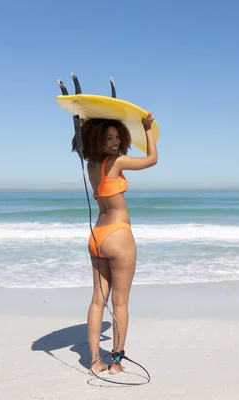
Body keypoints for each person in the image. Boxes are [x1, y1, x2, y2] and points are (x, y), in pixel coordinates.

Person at [71, 112, 158, 375]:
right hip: (118, 236)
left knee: (98, 300)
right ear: (98, 140)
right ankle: (116, 362)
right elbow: (152, 160)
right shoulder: (117, 162)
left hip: (97, 236)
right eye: (108, 138)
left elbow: (86, 148)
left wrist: (85, 127)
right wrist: (148, 130)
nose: (115, 143)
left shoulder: (91, 166)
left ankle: (94, 360)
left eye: (117, 138)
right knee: (120, 302)